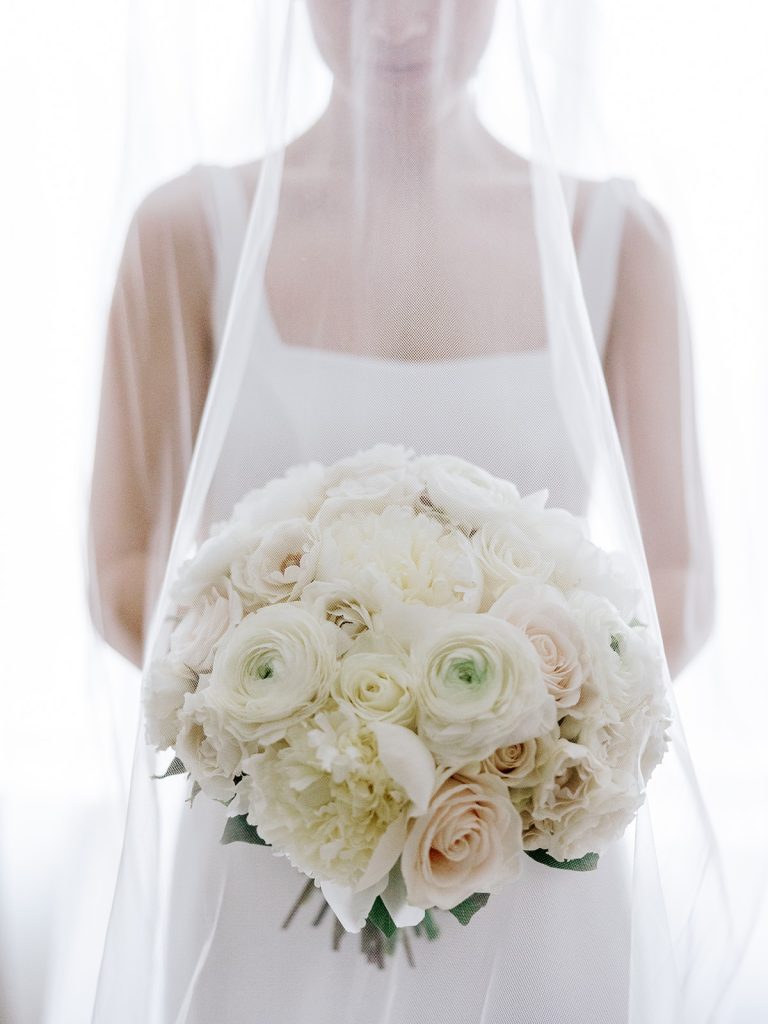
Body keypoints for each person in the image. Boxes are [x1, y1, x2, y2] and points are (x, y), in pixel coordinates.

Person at [88, 3, 715, 1021]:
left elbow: (678, 576)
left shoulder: (614, 240)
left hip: (527, 849)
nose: (396, 25)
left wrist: (514, 738)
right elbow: (121, 563)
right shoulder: (185, 235)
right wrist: (311, 725)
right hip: (273, 841)